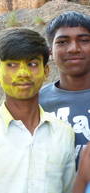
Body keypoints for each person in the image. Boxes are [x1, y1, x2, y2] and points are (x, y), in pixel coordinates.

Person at [0, 28, 75, 193]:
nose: (23, 73)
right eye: (12, 65)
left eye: (32, 64)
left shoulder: (63, 133)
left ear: (46, 71)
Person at [39, 11, 90, 192]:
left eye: (84, 40)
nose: (73, 48)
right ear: (50, 52)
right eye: (63, 42)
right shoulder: (36, 103)